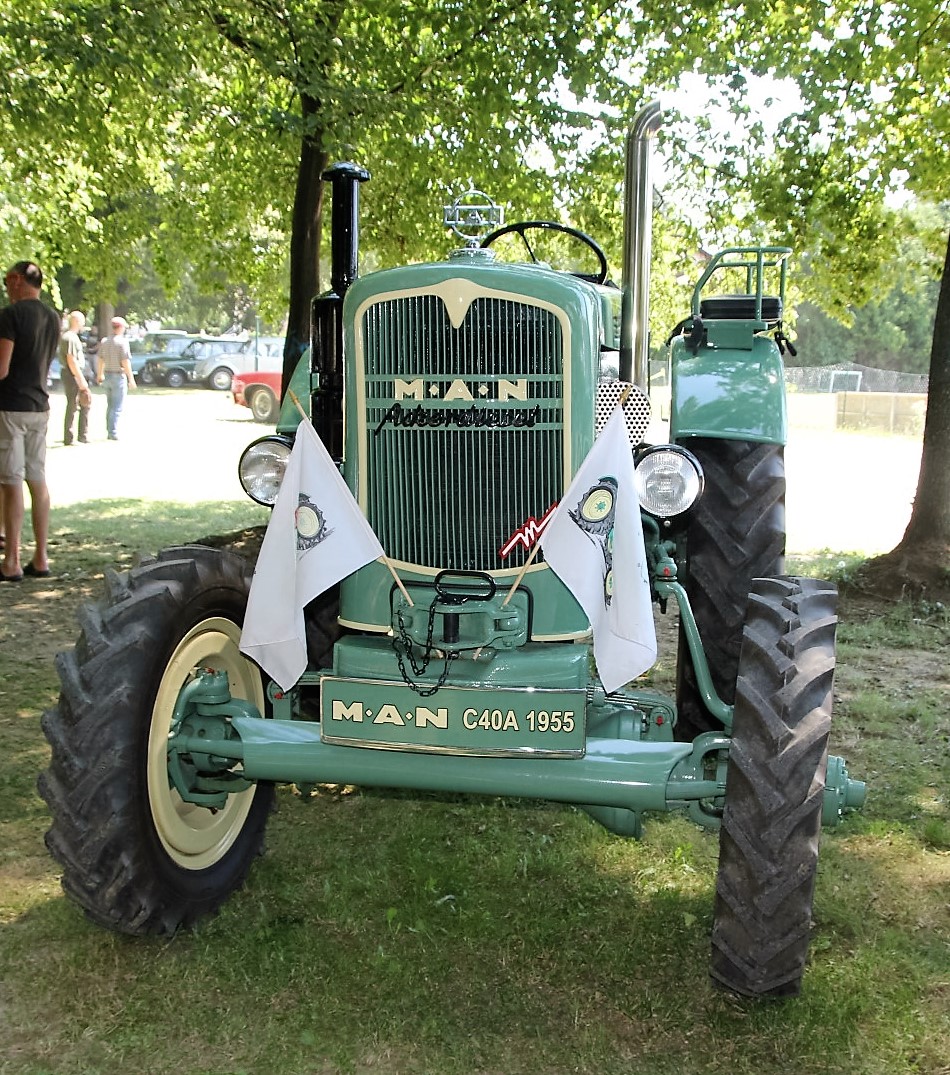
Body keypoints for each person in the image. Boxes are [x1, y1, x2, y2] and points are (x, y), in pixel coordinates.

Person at [0, 260, 60, 581]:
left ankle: (10, 561)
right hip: (40, 407)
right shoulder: (53, 317)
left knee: (10, 483)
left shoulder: (9, 316)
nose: (7, 286)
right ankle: (41, 558)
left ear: (21, 281)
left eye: (10, 279)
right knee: (37, 481)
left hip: (10, 408)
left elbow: (2, 368)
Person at [96, 315, 135, 440]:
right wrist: (131, 379)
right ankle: (113, 432)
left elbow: (100, 359)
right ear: (120, 328)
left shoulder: (104, 341)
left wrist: (99, 374)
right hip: (118, 376)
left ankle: (109, 429)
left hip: (107, 374)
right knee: (117, 406)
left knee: (110, 405)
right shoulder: (122, 342)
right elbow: (125, 362)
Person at [61, 310, 92, 445]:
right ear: (76, 321)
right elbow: (71, 360)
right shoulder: (70, 338)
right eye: (82, 321)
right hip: (72, 374)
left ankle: (82, 435)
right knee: (73, 405)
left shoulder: (72, 337)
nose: (83, 324)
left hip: (75, 373)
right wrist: (81, 380)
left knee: (84, 404)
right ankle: (69, 437)